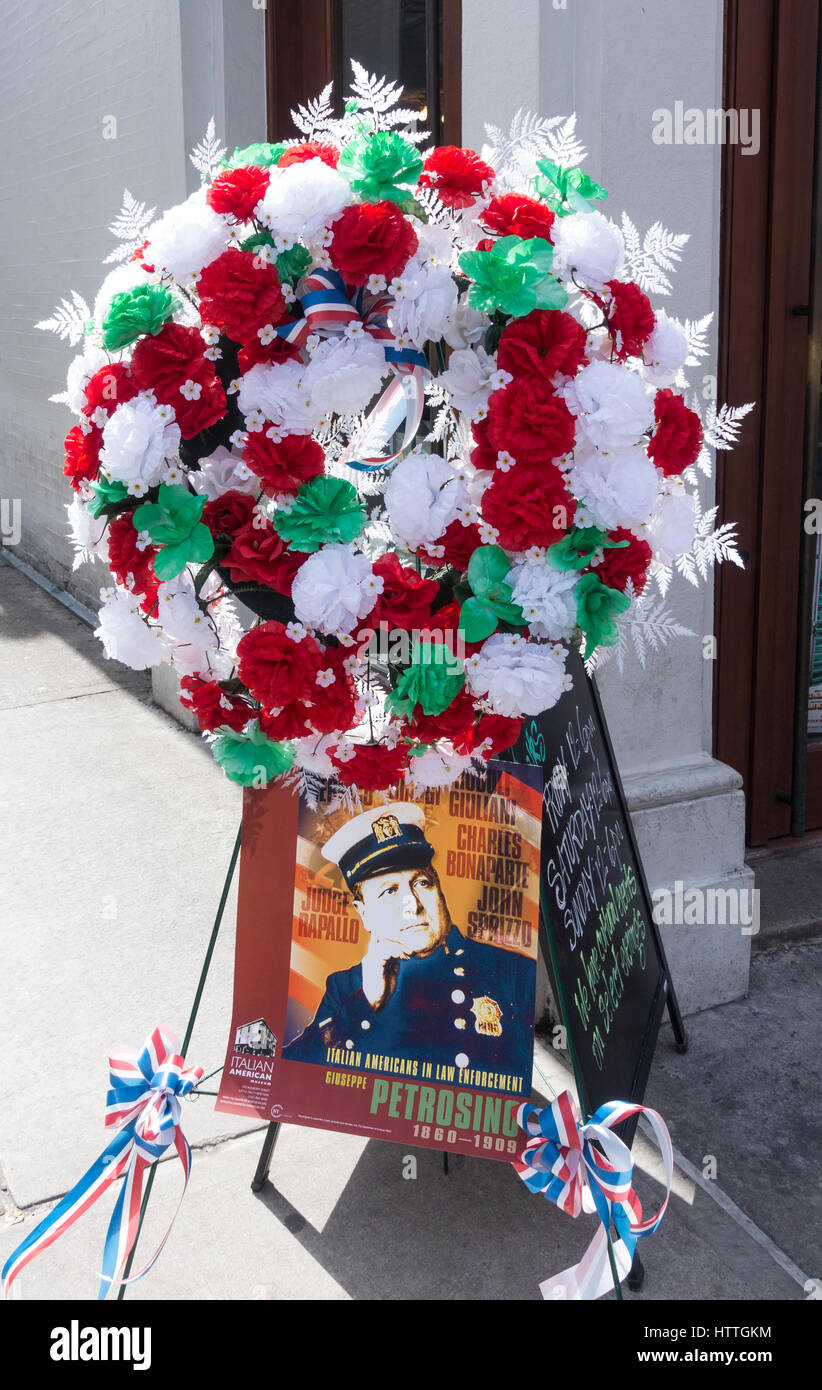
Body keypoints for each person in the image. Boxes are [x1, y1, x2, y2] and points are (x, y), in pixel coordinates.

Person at [283, 803, 535, 1078]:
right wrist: (364, 1003)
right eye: (389, 891)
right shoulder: (347, 989)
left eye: (422, 883)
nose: (412, 905)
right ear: (364, 913)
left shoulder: (511, 971)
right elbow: (293, 1078)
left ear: (439, 888)